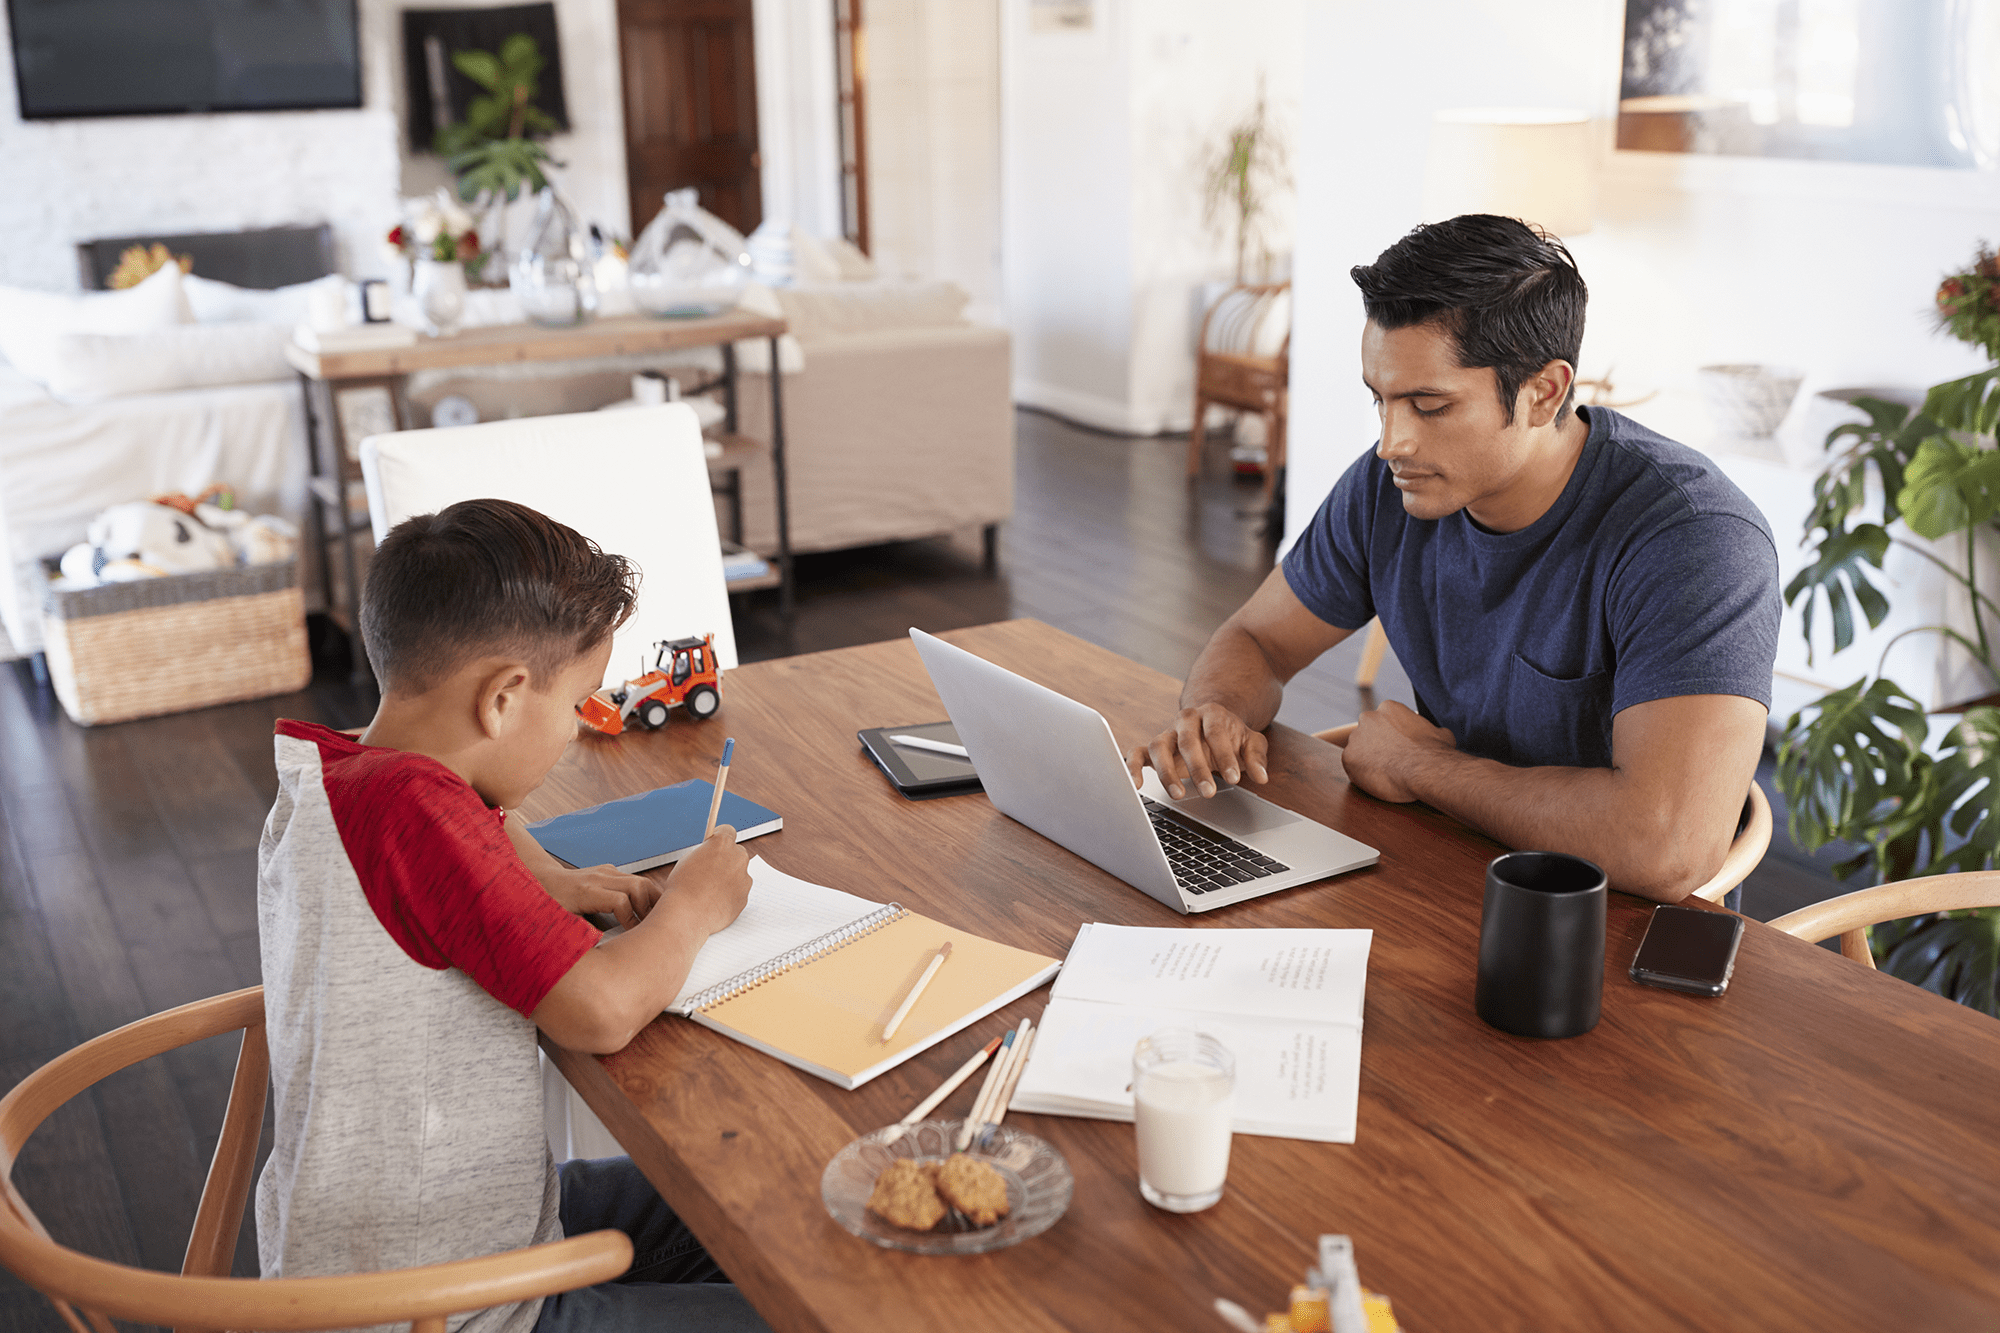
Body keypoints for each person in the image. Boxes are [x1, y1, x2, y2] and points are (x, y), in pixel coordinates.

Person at [1128, 215, 1779, 903]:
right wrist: (1217, 711)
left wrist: (1418, 766)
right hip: (1446, 871)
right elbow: (1258, 637)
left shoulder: (1696, 540)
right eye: (1379, 400)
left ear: (1544, 392)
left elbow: (1666, 844)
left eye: (1429, 405)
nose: (1390, 442)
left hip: (1613, 931)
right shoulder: (1389, 489)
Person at [256, 497, 768, 1333]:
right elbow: (598, 1010)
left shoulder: (341, 775)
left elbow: (452, 857)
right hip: (442, 1306)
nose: (574, 732)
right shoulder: (421, 815)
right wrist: (694, 903)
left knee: (756, 1203)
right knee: (794, 1292)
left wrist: (524, 867)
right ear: (503, 698)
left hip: (397, 1238)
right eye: (576, 705)